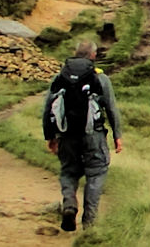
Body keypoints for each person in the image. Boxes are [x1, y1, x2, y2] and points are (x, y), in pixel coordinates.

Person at [42, 41, 124, 232]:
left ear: (75, 54)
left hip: (66, 135)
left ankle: (69, 205)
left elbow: (48, 109)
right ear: (93, 56)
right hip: (93, 135)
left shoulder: (60, 77)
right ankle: (89, 221)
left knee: (69, 172)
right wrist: (117, 136)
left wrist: (50, 137)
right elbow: (111, 109)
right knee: (97, 172)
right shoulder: (101, 79)